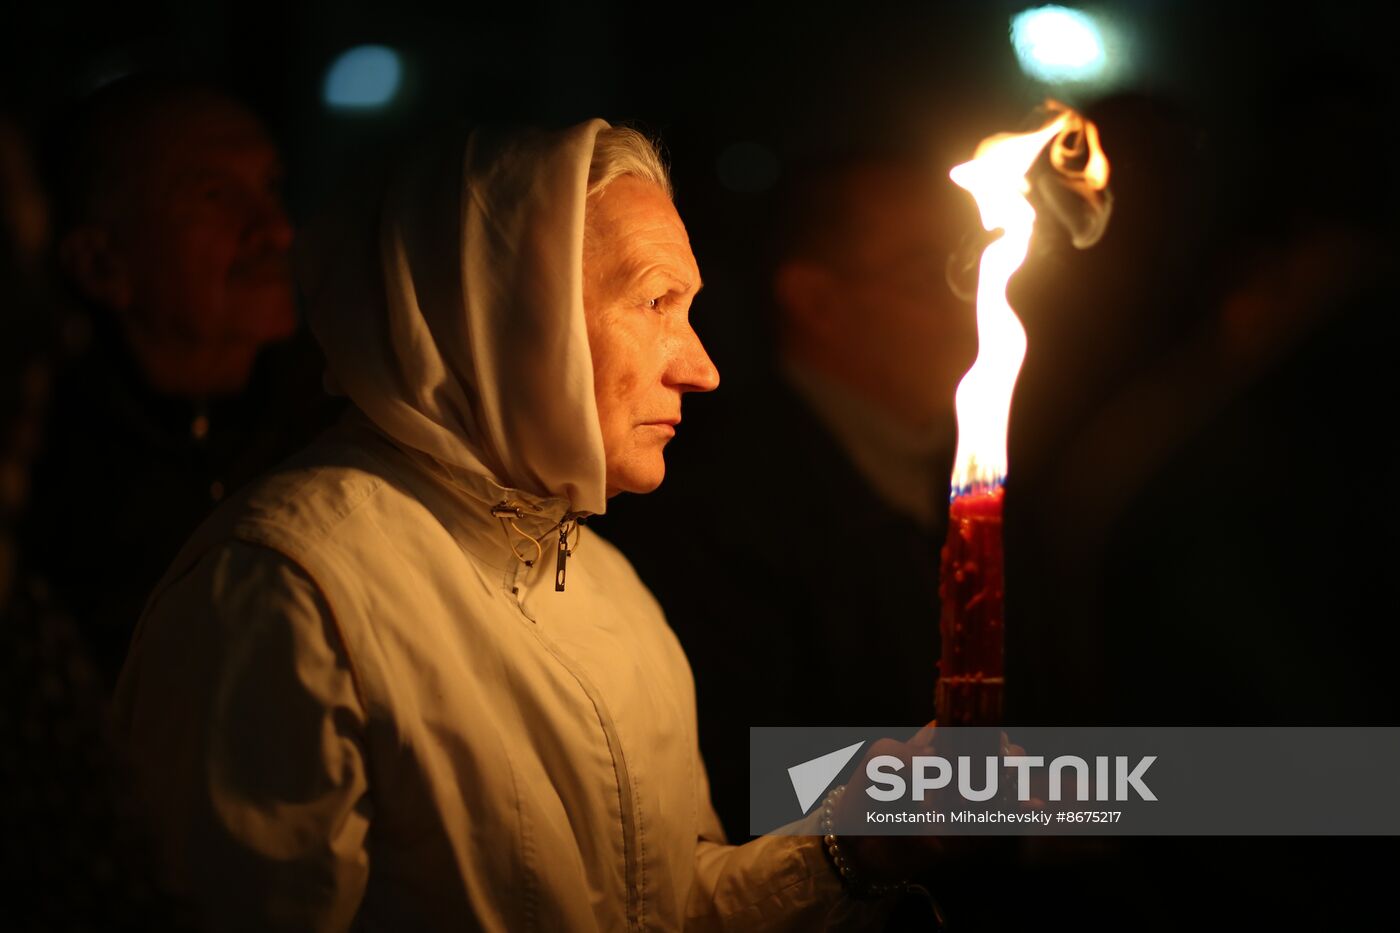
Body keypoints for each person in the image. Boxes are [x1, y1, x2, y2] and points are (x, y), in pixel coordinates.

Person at [114, 121, 944, 931]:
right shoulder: (288, 586)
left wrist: (854, 842)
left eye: (689, 310)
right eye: (656, 301)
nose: (701, 367)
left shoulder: (607, 582)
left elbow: (663, 902)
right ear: (509, 313)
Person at [598, 150, 978, 847]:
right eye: (932, 274)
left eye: (974, 268)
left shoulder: (978, 484)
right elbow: (727, 780)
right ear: (816, 301)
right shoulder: (712, 505)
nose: (973, 301)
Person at [25, 75, 334, 687]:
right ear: (100, 263)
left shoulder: (343, 423)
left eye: (270, 188)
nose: (276, 230)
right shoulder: (41, 482)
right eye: (215, 196)